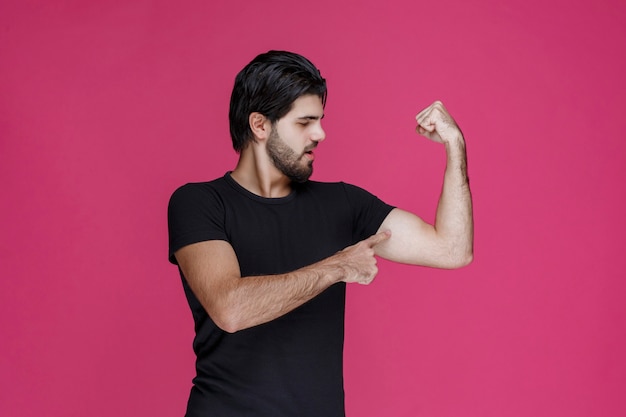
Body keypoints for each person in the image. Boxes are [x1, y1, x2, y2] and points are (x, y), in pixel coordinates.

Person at [168, 50, 473, 417]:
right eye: (304, 122)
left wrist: (455, 147)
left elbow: (452, 250)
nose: (321, 133)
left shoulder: (342, 203)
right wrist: (339, 267)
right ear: (260, 125)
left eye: (320, 120)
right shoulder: (199, 202)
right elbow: (231, 309)